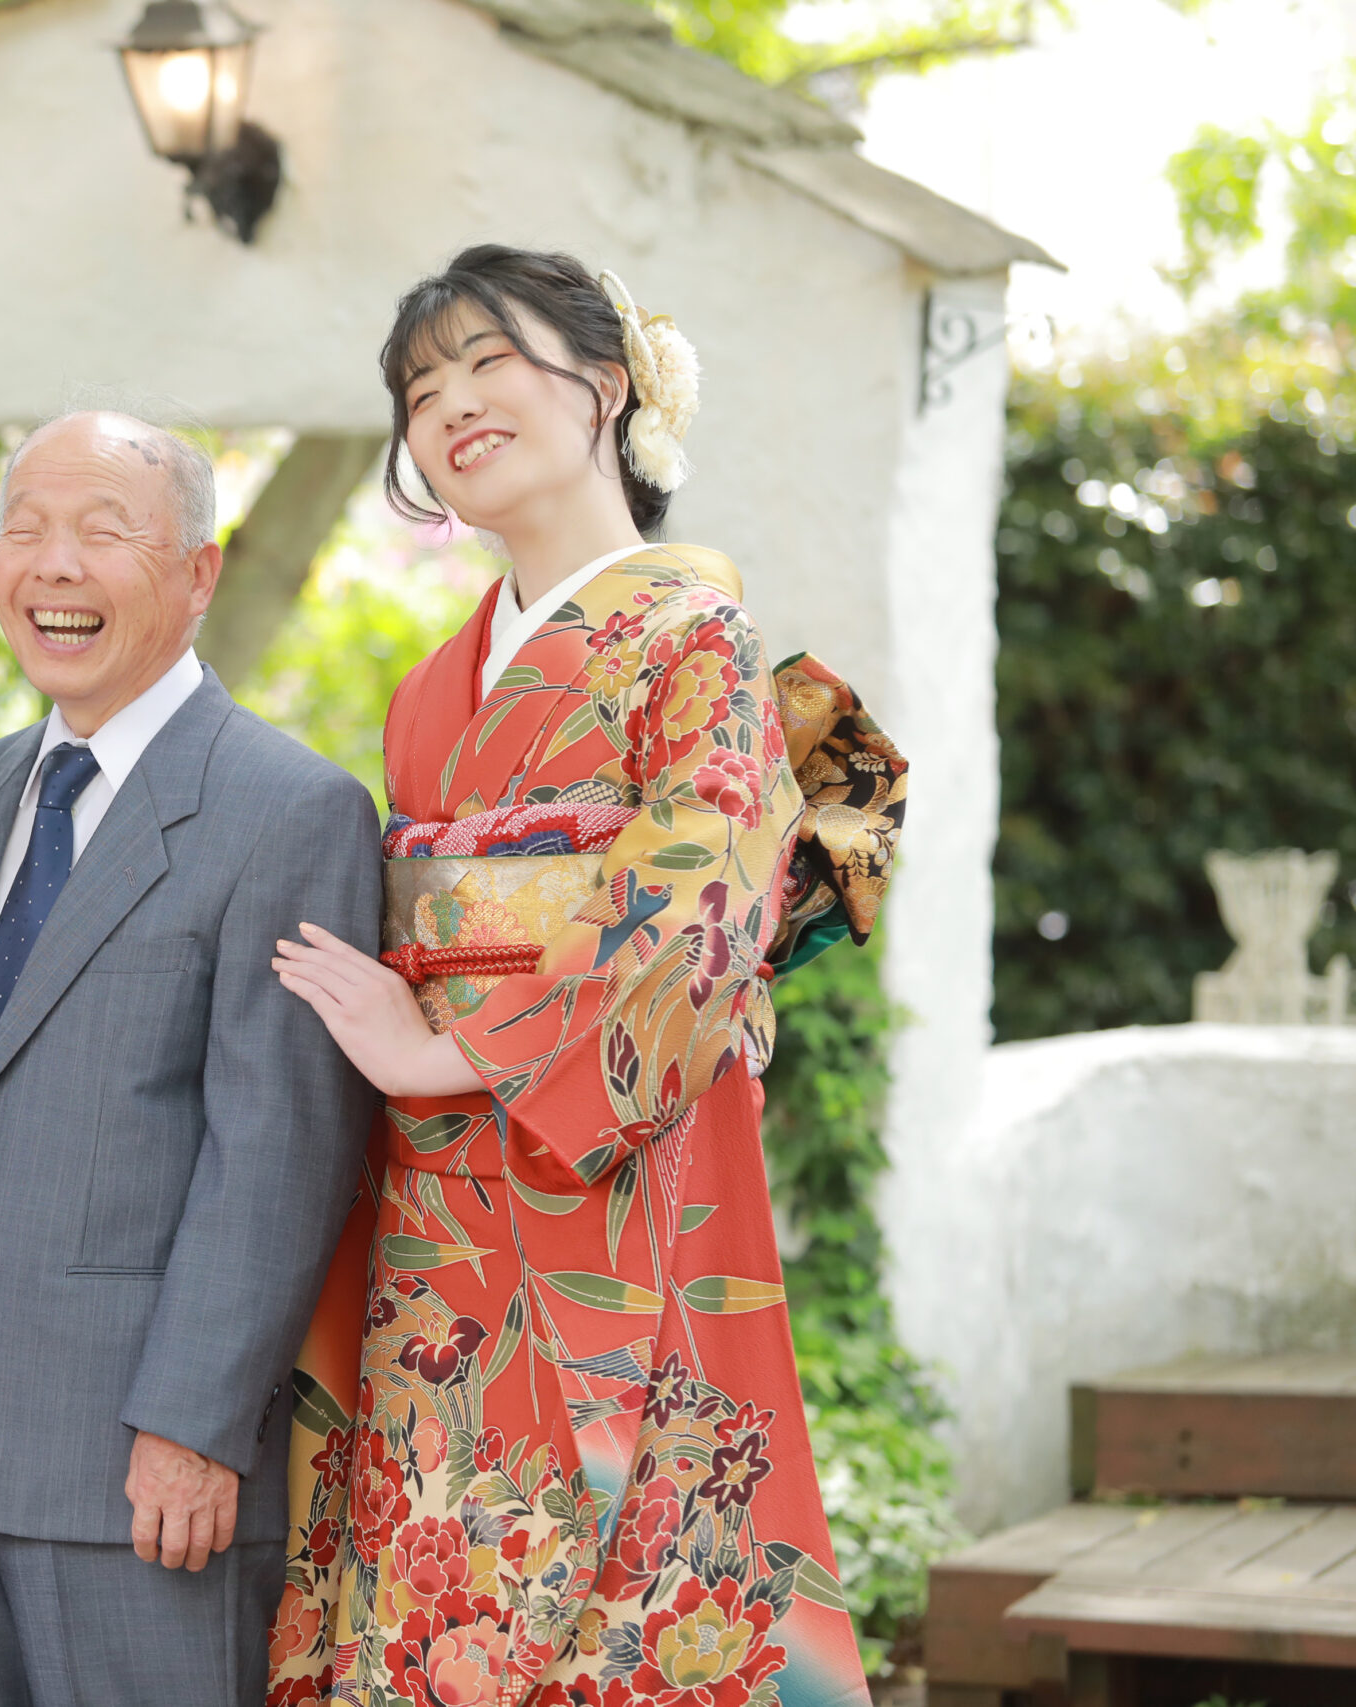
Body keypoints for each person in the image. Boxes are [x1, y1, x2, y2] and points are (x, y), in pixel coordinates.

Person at [265, 247, 909, 1705]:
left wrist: (447, 1048)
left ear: (608, 385)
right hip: (437, 1187)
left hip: (613, 1151)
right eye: (420, 389)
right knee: (433, 1549)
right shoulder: (431, 687)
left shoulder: (695, 633)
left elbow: (700, 901)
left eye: (488, 361)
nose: (450, 404)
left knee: (622, 1552)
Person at [0, 408, 383, 1705]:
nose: (53, 564)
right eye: (24, 528)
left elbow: (280, 1150)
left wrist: (194, 1423)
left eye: (103, 531)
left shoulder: (290, 810)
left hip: (147, 1471)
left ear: (199, 573)